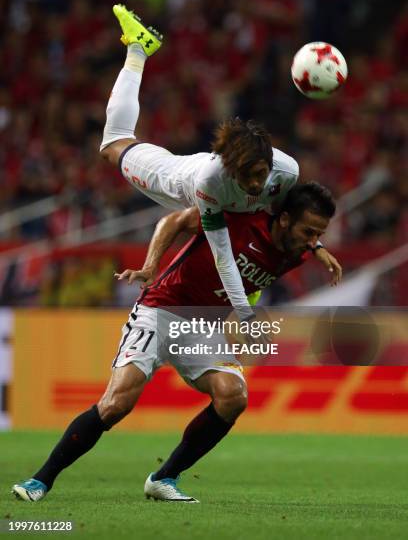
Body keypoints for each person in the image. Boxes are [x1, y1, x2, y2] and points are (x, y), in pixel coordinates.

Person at [12, 182, 340, 504]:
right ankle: (40, 479)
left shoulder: (297, 251)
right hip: (161, 309)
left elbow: (293, 247)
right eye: (309, 232)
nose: (313, 242)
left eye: (318, 236)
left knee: (233, 397)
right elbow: (174, 220)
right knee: (116, 405)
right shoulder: (240, 220)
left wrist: (317, 249)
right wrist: (150, 266)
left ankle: (163, 478)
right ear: (284, 219)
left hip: (203, 326)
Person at [100, 5, 339, 322]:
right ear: (231, 170)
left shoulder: (287, 172)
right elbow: (222, 254)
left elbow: (291, 216)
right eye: (247, 178)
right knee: (114, 143)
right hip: (179, 180)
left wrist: (317, 247)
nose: (257, 185)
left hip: (224, 205)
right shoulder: (210, 184)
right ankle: (139, 48)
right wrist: (244, 311)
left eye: (260, 176)